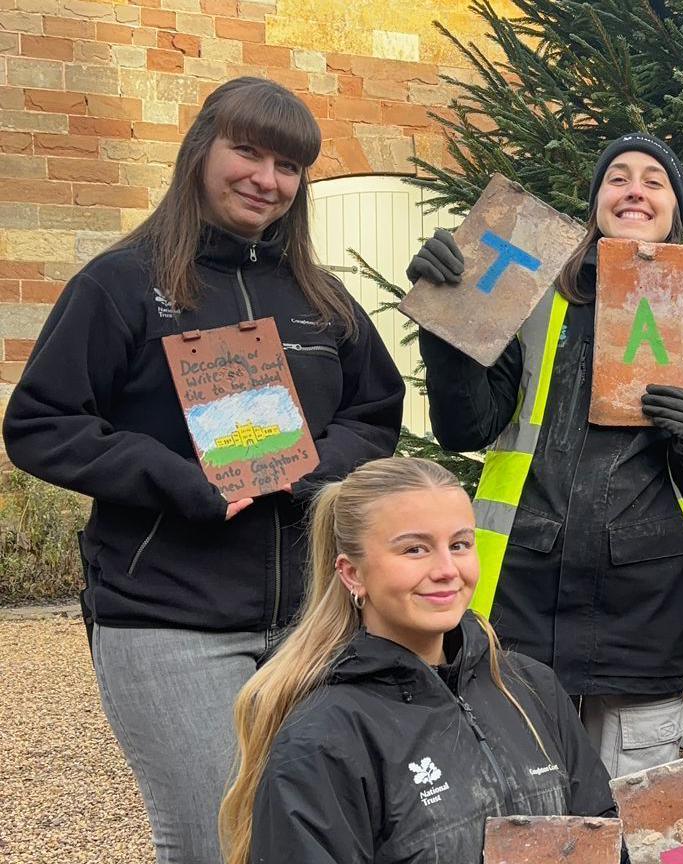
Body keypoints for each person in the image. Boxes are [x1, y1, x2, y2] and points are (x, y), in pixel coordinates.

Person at [1, 77, 405, 864]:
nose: (266, 178)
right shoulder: (122, 284)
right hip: (167, 617)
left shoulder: (320, 299)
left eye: (287, 166)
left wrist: (311, 469)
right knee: (214, 843)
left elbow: (376, 415)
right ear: (200, 152)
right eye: (247, 152)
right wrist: (182, 480)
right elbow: (41, 424)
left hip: (308, 620)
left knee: (316, 839)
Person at [218, 456, 683, 864]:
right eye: (414, 548)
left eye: (460, 544)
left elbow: (607, 840)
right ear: (352, 573)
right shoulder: (325, 739)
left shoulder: (527, 687)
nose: (447, 569)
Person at [405, 132, 683, 777]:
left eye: (654, 180)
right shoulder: (524, 300)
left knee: (631, 820)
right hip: (517, 602)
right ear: (594, 204)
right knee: (522, 816)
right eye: (617, 177)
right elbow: (464, 427)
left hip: (643, 617)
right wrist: (446, 325)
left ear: (677, 214)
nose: (634, 189)